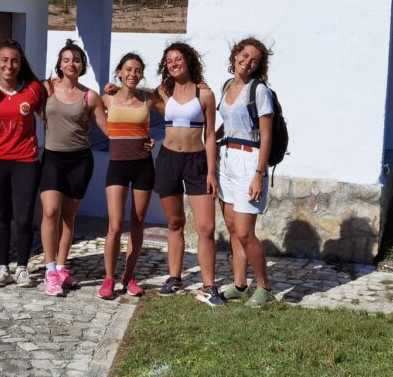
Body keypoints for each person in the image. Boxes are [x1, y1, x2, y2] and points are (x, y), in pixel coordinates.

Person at [152, 42, 222, 306]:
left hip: (197, 162)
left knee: (206, 227)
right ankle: (175, 279)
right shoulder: (163, 92)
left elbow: (211, 134)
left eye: (178, 58)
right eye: (169, 60)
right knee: (174, 223)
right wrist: (113, 91)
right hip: (168, 159)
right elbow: (138, 99)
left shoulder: (204, 94)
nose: (173, 63)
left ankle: (209, 287)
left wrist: (211, 172)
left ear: (188, 60)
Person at [39, 39, 108, 297]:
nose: (71, 63)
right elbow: (19, 96)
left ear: (83, 66)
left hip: (80, 161)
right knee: (50, 211)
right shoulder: (46, 88)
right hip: (53, 159)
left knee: (68, 217)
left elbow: (109, 129)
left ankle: (61, 266)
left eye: (76, 60)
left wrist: (138, 135)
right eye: (66, 59)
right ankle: (49, 270)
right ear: (59, 64)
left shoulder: (90, 96)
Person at [217, 37, 276, 308]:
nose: (246, 61)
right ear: (235, 55)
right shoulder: (226, 86)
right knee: (231, 226)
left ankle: (264, 286)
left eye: (253, 59)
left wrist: (258, 174)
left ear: (258, 66)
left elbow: (267, 136)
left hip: (249, 161)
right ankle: (240, 285)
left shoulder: (259, 91)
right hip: (227, 159)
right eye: (243, 54)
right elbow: (225, 127)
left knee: (244, 231)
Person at [0, 39, 45, 288]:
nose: (9, 65)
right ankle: (2, 267)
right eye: (4, 60)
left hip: (26, 161)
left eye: (14, 60)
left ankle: (22, 268)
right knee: (2, 215)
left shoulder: (33, 90)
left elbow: (50, 112)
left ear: (20, 64)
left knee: (24, 216)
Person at [98, 53, 155, 299]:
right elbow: (87, 106)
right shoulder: (107, 99)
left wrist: (154, 140)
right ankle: (109, 278)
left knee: (138, 223)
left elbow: (173, 97)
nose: (133, 74)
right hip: (117, 166)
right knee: (115, 224)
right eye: (128, 69)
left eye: (138, 70)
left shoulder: (148, 100)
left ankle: (129, 276)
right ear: (119, 71)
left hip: (143, 165)